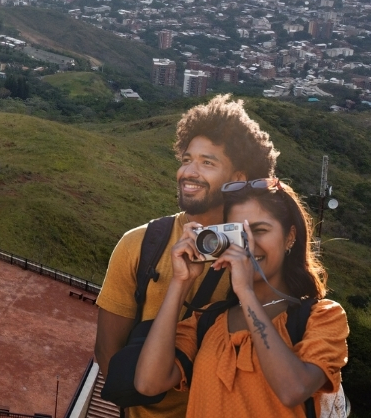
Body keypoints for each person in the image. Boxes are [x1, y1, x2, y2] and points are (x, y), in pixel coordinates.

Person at [96, 94, 278, 418]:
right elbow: (108, 353)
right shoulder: (138, 245)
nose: (188, 172)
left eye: (207, 162)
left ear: (238, 178)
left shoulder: (259, 258)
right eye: (186, 159)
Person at [134, 179, 348, 417]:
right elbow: (148, 383)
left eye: (259, 231)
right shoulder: (208, 320)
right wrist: (180, 282)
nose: (248, 245)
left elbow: (293, 390)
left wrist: (245, 292)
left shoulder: (322, 317)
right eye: (238, 234)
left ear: (290, 237)